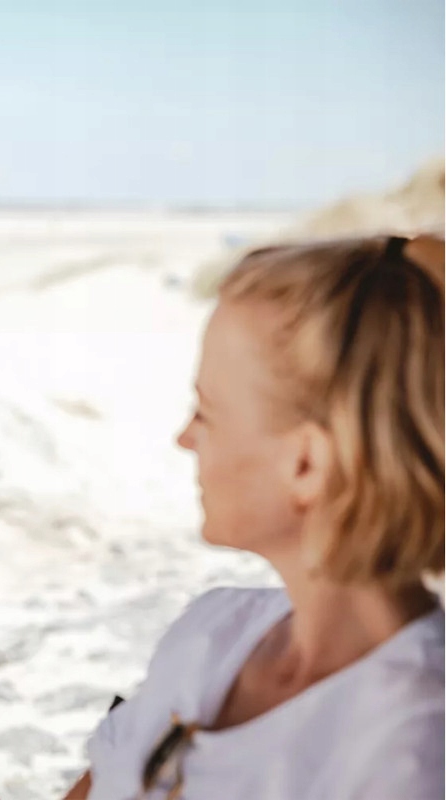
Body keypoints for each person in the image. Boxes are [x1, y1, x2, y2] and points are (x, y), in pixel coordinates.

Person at [63, 233, 445, 800]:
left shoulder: (410, 750)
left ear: (307, 464)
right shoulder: (214, 631)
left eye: (206, 412)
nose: (184, 438)